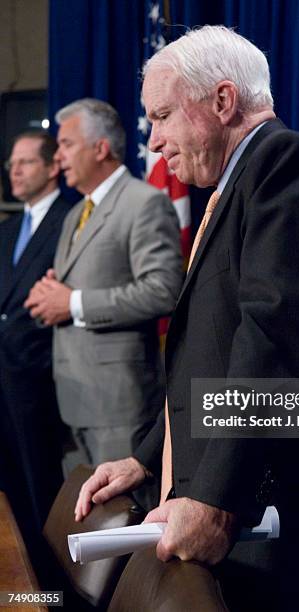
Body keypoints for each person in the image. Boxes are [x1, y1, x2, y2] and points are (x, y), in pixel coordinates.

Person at [74, 27, 299, 610]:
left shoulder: (288, 164)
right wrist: (146, 456)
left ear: (222, 101)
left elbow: (272, 341)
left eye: (162, 116)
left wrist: (214, 497)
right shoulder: (238, 181)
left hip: (293, 523)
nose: (153, 141)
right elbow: (213, 350)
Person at [25, 99, 182, 472]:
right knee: (81, 521)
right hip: (71, 397)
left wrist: (74, 303)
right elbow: (71, 288)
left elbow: (164, 289)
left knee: (124, 522)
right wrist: (47, 298)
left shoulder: (143, 203)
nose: (58, 156)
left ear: (101, 148)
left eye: (66, 144)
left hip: (119, 405)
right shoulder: (75, 213)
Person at [0, 130, 70, 563]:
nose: (15, 170)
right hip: (2, 378)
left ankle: (46, 591)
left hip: (40, 380)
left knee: (39, 488)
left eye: (25, 162)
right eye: (11, 163)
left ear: (52, 166)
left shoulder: (71, 218)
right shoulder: (7, 229)